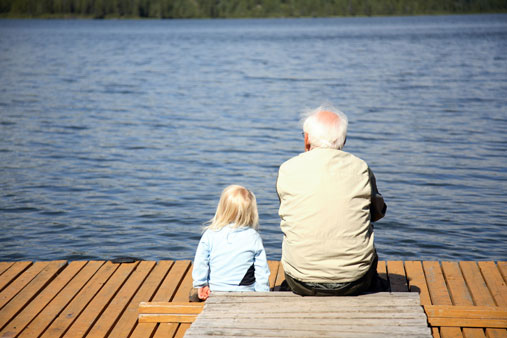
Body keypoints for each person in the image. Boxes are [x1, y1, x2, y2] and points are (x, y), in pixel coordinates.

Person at [276, 104, 387, 296]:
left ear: (306, 139)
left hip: (300, 280)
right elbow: (378, 212)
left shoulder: (288, 169)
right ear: (343, 140)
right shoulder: (360, 167)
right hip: (355, 281)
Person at [190, 185, 271, 301]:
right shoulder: (253, 236)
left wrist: (201, 284)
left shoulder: (210, 233)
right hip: (246, 292)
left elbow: (201, 262)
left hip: (215, 290)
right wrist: (262, 294)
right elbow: (261, 270)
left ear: (222, 208)